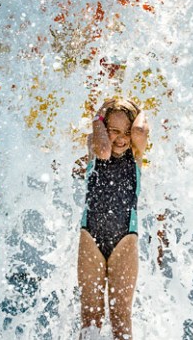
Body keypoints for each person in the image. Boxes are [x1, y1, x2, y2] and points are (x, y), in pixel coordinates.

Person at [78, 98, 149, 340]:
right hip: (90, 237)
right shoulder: (93, 144)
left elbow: (140, 130)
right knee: (90, 318)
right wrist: (100, 114)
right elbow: (104, 150)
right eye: (114, 130)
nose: (121, 138)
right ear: (103, 128)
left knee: (120, 318)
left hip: (125, 241)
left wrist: (139, 108)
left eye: (126, 132)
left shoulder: (136, 152)